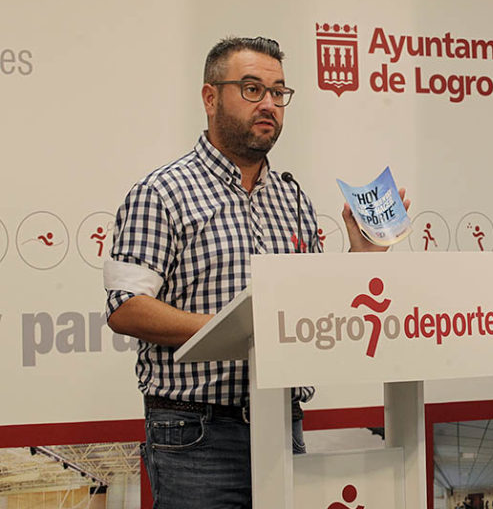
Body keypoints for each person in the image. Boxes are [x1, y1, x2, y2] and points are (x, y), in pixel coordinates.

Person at [104, 36, 405, 509]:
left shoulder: (292, 198)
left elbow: (315, 307)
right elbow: (126, 308)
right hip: (196, 434)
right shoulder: (162, 192)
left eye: (278, 92)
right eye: (251, 89)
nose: (268, 104)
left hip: (284, 423)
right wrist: (239, 332)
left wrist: (361, 258)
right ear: (210, 97)